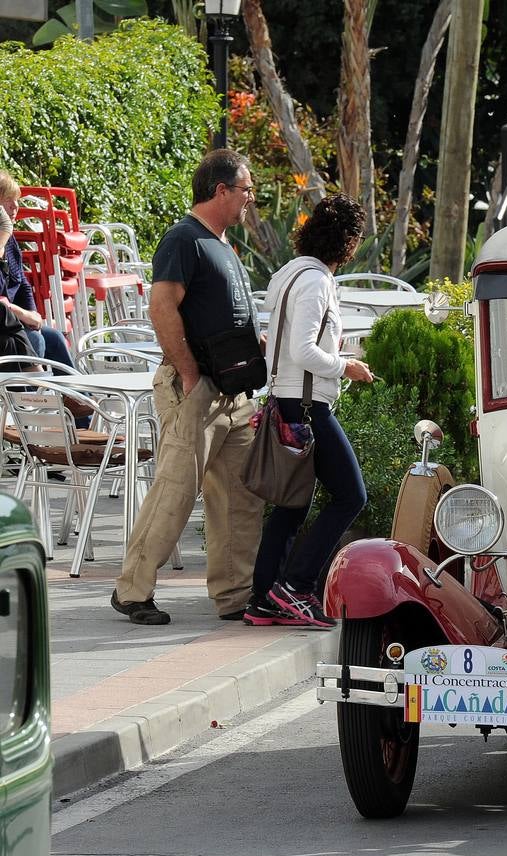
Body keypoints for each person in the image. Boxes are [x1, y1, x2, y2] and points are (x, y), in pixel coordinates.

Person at [111, 149, 265, 625]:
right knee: (176, 491)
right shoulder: (184, 238)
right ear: (221, 190)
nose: (250, 199)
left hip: (234, 394)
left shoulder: (222, 245)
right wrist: (190, 374)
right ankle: (132, 591)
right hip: (196, 389)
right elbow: (162, 307)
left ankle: (234, 595)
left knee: (241, 496)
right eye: (246, 190)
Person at [244, 194, 374, 628]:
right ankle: (296, 587)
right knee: (351, 495)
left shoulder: (291, 274)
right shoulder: (316, 280)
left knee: (292, 501)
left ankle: (264, 598)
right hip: (307, 406)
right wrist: (345, 365)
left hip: (286, 400)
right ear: (348, 241)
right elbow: (303, 350)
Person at [0, 171, 77, 371]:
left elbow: (21, 283)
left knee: (55, 338)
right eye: (7, 200)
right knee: (36, 339)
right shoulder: (4, 238)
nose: (15, 206)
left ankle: (74, 389)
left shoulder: (10, 241)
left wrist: (32, 313)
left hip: (12, 322)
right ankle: (32, 392)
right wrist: (23, 314)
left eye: (16, 200)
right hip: (4, 327)